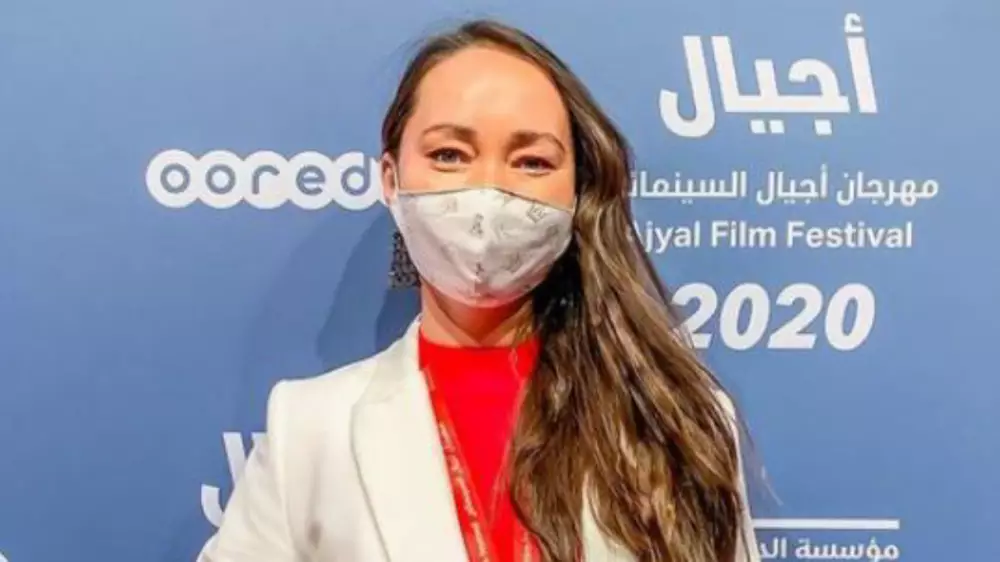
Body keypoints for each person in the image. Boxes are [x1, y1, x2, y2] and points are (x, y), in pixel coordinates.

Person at [197, 18, 760, 562]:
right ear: (391, 179)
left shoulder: (676, 420)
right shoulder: (309, 428)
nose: (489, 190)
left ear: (576, 193)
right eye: (449, 155)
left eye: (531, 161)